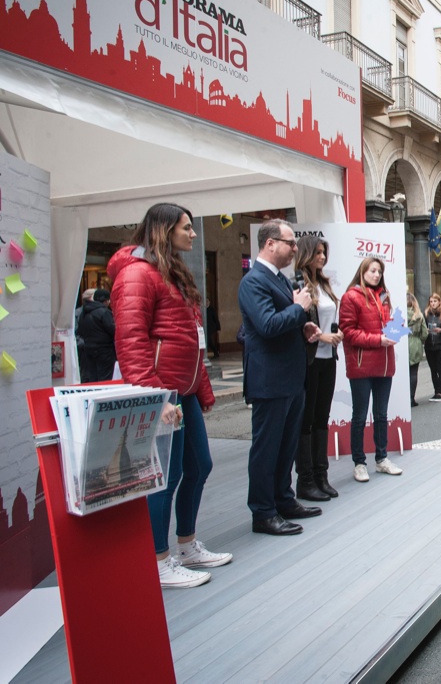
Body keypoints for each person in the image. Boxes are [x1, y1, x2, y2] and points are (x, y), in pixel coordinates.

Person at [109, 202, 229, 587]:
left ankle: (186, 544)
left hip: (185, 392)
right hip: (164, 395)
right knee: (164, 476)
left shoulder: (171, 272)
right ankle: (157, 559)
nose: (193, 235)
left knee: (199, 466)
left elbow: (192, 338)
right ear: (164, 230)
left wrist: (203, 389)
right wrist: (154, 397)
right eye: (187, 228)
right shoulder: (137, 275)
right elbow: (131, 341)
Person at [239, 220, 324, 536]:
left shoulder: (279, 280)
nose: (294, 248)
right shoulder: (253, 281)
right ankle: (263, 512)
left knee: (286, 446)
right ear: (270, 243)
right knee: (267, 449)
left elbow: (280, 324)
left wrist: (302, 327)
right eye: (290, 242)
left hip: (290, 377)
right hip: (270, 380)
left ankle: (284, 500)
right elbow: (266, 325)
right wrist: (299, 308)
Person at [339, 256, 403, 482]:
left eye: (379, 271)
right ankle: (359, 462)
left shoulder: (384, 295)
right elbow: (348, 332)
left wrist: (396, 329)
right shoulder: (351, 297)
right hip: (361, 365)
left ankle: (382, 458)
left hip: (384, 364)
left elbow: (389, 322)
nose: (376, 275)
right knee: (359, 415)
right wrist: (379, 339)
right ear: (363, 271)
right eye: (372, 270)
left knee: (381, 414)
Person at [293, 235, 343, 502]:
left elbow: (328, 318)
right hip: (309, 360)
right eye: (318, 253)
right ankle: (306, 480)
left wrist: (336, 334)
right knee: (307, 420)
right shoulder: (298, 283)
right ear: (307, 253)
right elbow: (297, 323)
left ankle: (321, 476)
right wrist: (322, 337)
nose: (322, 257)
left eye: (324, 253)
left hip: (328, 359)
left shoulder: (323, 283)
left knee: (322, 418)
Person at [77, 288, 116, 382]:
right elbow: (113, 330)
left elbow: (80, 330)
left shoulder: (84, 312)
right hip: (104, 351)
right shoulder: (104, 312)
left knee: (93, 379)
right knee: (105, 379)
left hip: (88, 350)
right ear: (106, 301)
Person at [406, 292, 428, 407]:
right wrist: (420, 340)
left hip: (402, 344)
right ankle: (411, 398)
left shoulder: (399, 314)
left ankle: (402, 398)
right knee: (413, 373)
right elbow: (425, 333)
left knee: (402, 373)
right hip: (415, 344)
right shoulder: (419, 315)